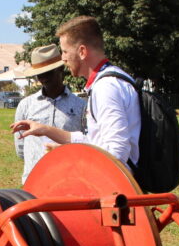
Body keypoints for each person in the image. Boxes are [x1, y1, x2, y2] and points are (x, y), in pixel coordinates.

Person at [10, 16, 140, 167]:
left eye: (65, 51)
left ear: (82, 52)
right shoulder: (110, 80)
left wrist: (71, 154)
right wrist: (46, 130)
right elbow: (94, 141)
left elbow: (116, 153)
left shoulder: (106, 88)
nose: (63, 58)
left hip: (113, 179)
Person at [13, 44, 86, 183]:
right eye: (40, 75)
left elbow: (85, 144)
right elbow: (20, 148)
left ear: (60, 69)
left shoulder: (80, 106)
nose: (44, 78)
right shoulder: (26, 105)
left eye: (48, 73)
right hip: (34, 181)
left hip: (69, 180)